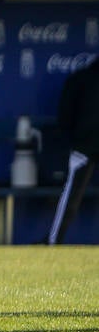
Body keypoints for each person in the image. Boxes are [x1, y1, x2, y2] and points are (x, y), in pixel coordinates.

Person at [47, 56, 99, 245]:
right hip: (83, 146)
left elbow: (64, 117)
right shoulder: (81, 79)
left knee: (70, 198)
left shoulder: (80, 78)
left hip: (82, 144)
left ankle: (54, 241)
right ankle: (53, 241)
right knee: (70, 198)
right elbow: (65, 115)